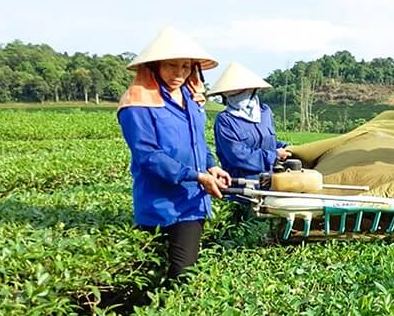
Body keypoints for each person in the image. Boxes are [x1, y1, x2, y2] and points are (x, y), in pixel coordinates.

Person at [117, 26, 231, 281]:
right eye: (171, 66)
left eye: (186, 67)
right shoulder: (138, 103)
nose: (179, 74)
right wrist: (196, 176)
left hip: (192, 203)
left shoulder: (192, 99)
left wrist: (211, 166)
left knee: (182, 273)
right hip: (159, 202)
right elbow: (148, 155)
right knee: (152, 276)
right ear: (155, 66)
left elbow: (198, 143)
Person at [211, 62, 292, 180]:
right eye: (229, 93)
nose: (234, 96)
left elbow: (268, 142)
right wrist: (274, 156)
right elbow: (237, 155)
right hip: (243, 186)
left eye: (239, 91)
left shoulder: (264, 112)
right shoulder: (225, 120)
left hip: (271, 181)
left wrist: (285, 147)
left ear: (251, 90)